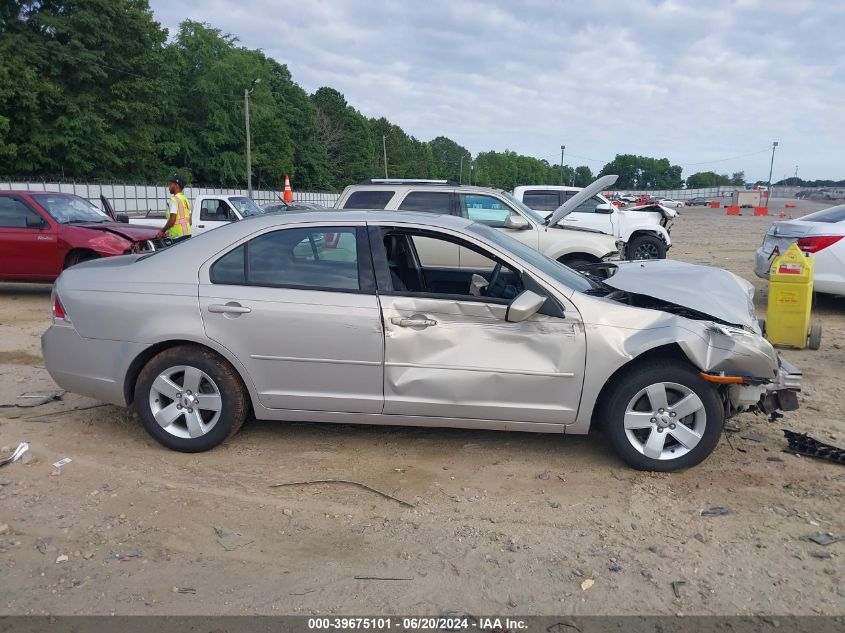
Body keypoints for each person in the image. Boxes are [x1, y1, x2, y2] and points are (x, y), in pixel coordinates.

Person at [157, 175, 192, 241]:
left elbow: (172, 221)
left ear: (176, 185)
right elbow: (190, 222)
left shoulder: (174, 200)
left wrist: (162, 231)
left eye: (170, 184)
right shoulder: (186, 200)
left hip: (177, 237)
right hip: (188, 235)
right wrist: (170, 231)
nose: (169, 186)